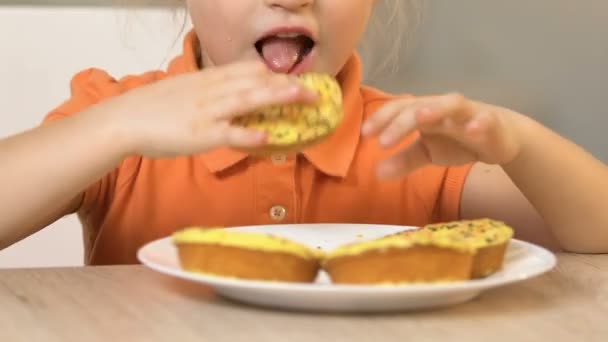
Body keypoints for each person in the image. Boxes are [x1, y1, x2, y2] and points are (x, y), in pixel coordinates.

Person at [1, 0, 606, 265]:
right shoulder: (124, 119)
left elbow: (594, 236)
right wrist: (114, 127)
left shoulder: (406, 139)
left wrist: (520, 142)